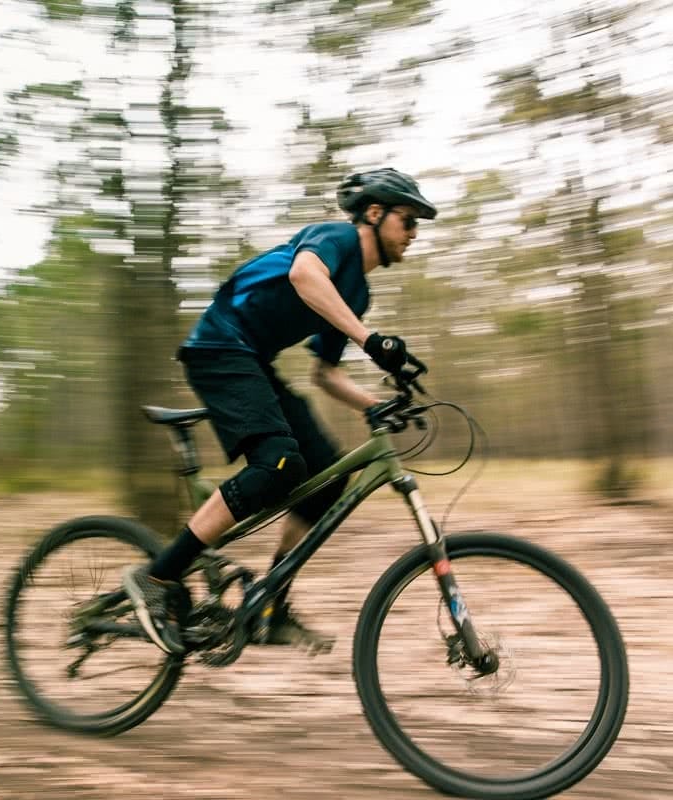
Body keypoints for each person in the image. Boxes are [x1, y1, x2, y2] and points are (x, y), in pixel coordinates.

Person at [122, 167, 439, 655]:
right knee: (280, 464)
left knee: (328, 476)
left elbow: (325, 374)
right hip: (218, 349)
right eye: (409, 220)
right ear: (375, 214)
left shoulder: (357, 293)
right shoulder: (335, 238)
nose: (414, 233)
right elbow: (303, 274)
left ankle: (270, 609)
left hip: (254, 361)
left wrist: (378, 404)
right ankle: (158, 577)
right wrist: (371, 340)